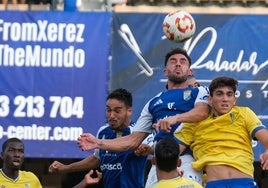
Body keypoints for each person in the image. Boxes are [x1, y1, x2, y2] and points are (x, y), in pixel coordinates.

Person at [77, 47, 210, 187]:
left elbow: (202, 112)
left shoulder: (199, 91)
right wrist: (98, 142)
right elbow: (132, 141)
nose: (178, 64)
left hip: (187, 160)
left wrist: (175, 118)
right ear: (165, 71)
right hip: (159, 164)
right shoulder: (153, 103)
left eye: (183, 62)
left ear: (190, 71)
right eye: (173, 61)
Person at [174, 76, 268, 188]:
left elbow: (264, 137)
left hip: (245, 183)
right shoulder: (195, 122)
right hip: (214, 184)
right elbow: (172, 152)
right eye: (219, 94)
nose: (225, 99)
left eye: (229, 94)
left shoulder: (244, 113)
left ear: (234, 100)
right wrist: (171, 164)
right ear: (209, 99)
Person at [49, 88, 150, 188]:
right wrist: (66, 168)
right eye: (108, 110)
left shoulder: (138, 134)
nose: (111, 115)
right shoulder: (103, 131)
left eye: (117, 111)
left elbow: (154, 152)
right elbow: (96, 159)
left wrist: (145, 149)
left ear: (129, 111)